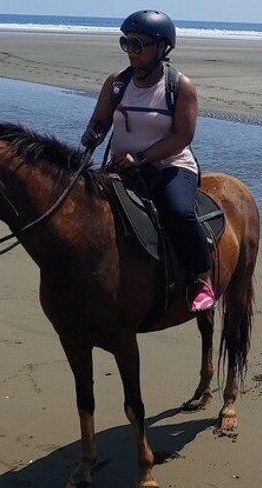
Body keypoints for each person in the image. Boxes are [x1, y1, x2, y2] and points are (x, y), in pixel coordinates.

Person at [81, 9, 215, 312]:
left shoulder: (180, 87)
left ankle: (203, 279)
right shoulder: (117, 83)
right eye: (126, 43)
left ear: (162, 47)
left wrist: (140, 158)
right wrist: (92, 134)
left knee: (178, 211)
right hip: (122, 166)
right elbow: (100, 121)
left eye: (139, 44)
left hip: (171, 167)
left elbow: (182, 137)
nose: (132, 51)